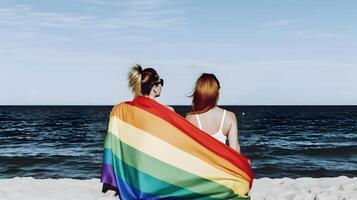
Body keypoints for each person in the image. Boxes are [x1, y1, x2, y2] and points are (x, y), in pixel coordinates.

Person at [186, 73, 241, 152]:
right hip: (221, 163)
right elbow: (235, 150)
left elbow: (189, 149)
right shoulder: (229, 116)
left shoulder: (191, 118)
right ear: (217, 92)